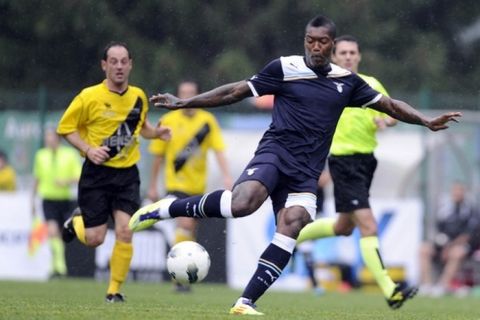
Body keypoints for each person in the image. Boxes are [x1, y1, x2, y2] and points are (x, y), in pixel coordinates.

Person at [129, 15, 460, 315]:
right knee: (243, 203)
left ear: (331, 44)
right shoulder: (284, 68)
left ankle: (245, 302)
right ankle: (168, 209)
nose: (315, 47)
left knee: (293, 224)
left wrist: (425, 120)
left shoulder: (348, 82)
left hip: (306, 172)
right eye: (310, 41)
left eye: (322, 42)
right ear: (305, 41)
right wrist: (186, 102)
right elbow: (235, 91)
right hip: (275, 154)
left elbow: (389, 105)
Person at [57, 41, 171, 303]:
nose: (119, 66)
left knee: (125, 231)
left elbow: (141, 127)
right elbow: (65, 128)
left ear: (130, 65)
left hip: (127, 176)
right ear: (104, 65)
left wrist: (156, 133)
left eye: (124, 61)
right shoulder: (88, 96)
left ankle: (114, 291)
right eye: (114, 61)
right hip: (96, 175)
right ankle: (76, 222)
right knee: (95, 238)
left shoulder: (139, 96)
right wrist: (87, 149)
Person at [296, 35, 403, 305]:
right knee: (368, 224)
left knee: (344, 226)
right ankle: (390, 289)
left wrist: (387, 122)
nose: (347, 56)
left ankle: (291, 235)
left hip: (367, 162)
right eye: (342, 52)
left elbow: (392, 114)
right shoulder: (327, 84)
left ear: (359, 56)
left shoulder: (371, 83)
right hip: (343, 162)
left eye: (352, 52)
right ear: (334, 56)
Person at [147, 79, 233, 292]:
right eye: (183, 93)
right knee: (185, 225)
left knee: (188, 231)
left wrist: (227, 176)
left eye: (190, 94)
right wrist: (152, 185)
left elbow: (219, 150)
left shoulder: (207, 121)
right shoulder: (168, 120)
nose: (186, 98)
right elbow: (157, 156)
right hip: (175, 183)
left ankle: (182, 272)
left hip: (197, 186)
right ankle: (180, 279)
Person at [32, 128, 82, 278]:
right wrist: (32, 201)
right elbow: (36, 178)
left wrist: (65, 181)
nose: (49, 140)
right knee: (52, 231)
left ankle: (58, 265)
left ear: (58, 138)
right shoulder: (40, 155)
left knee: (61, 234)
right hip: (48, 199)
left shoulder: (69, 155)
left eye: (51, 137)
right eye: (46, 137)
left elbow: (79, 176)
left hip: (65, 199)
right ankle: (59, 266)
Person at [419, 181, 479, 296]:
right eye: (455, 190)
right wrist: (441, 245)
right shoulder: (445, 210)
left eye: (460, 190)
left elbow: (467, 235)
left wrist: (449, 247)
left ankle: (442, 285)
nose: (457, 193)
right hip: (445, 244)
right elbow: (439, 231)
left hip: (463, 246)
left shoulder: (470, 210)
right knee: (424, 249)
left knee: (456, 253)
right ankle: (427, 285)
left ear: (464, 192)